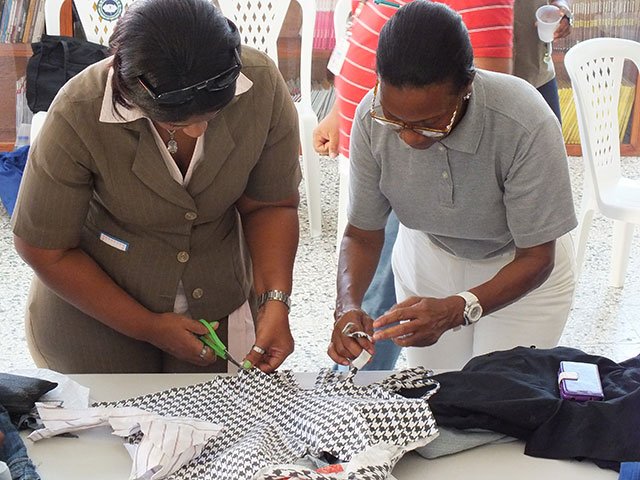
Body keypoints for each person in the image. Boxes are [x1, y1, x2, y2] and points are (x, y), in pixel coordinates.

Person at [12, 0, 301, 374]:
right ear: (132, 93)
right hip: (95, 307)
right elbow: (45, 249)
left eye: (212, 116)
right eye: (177, 124)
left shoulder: (260, 84)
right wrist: (145, 326)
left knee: (219, 427)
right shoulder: (77, 109)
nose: (198, 132)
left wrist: (274, 300)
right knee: (108, 426)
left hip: (217, 298)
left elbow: (271, 205)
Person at [327, 0, 577, 371]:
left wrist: (459, 309)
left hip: (520, 273)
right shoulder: (370, 118)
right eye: (395, 120)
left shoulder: (524, 122)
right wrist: (347, 305)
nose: (409, 138)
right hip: (429, 261)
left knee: (496, 403)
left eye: (430, 123)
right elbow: (362, 234)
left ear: (466, 86)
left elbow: (537, 257)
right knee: (438, 395)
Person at [513, 0, 573, 124]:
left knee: (551, 141)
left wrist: (562, 9)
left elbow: (560, 2)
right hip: (482, 82)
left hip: (538, 73)